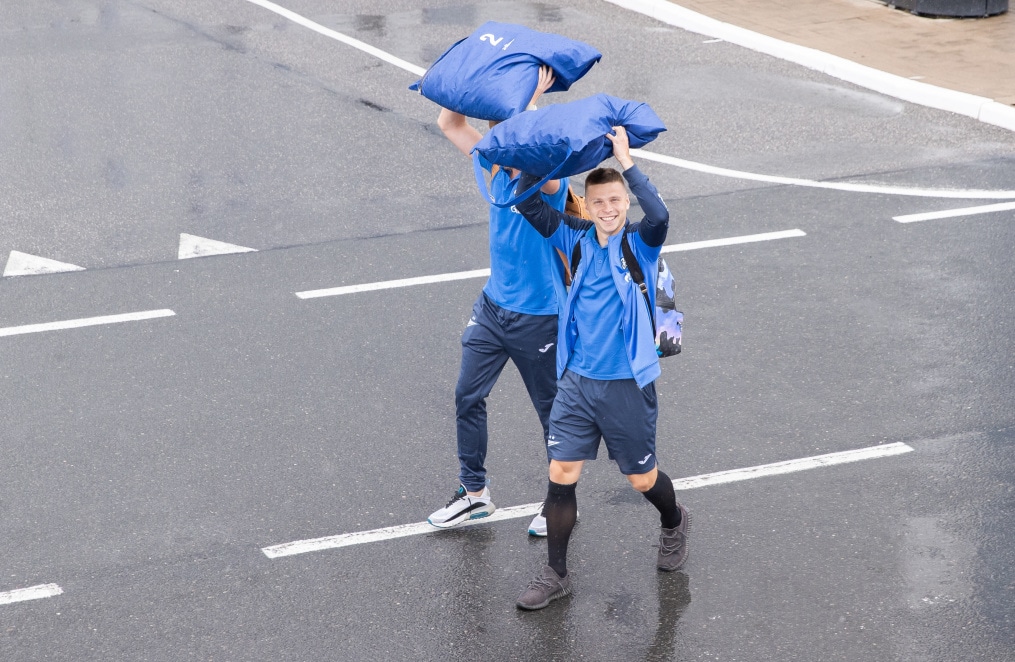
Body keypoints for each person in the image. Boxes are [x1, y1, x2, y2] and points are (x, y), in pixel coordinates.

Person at [512, 126, 689, 610]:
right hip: (576, 381)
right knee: (561, 471)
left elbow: (661, 215)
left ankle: (674, 520)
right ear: (586, 207)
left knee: (641, 479)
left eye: (615, 200)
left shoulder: (640, 243)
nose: (607, 209)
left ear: (625, 202)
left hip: (626, 383)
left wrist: (626, 161)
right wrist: (546, 158)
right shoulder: (574, 236)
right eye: (598, 202)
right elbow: (526, 203)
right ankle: (556, 573)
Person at [427, 67, 570, 536]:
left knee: (552, 414)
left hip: (539, 317)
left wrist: (527, 102)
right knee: (467, 395)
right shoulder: (488, 165)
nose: (499, 140)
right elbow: (450, 122)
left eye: (509, 134)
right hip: (492, 308)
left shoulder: (550, 178)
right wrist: (464, 78)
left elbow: (536, 158)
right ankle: (474, 493)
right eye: (497, 132)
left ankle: (560, 503)